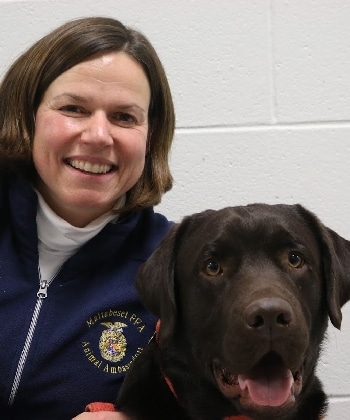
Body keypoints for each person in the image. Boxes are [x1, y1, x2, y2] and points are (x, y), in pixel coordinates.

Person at [0, 16, 175, 420]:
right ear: (27, 117)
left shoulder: (183, 266)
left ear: (150, 136)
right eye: (73, 108)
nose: (99, 135)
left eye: (124, 117)